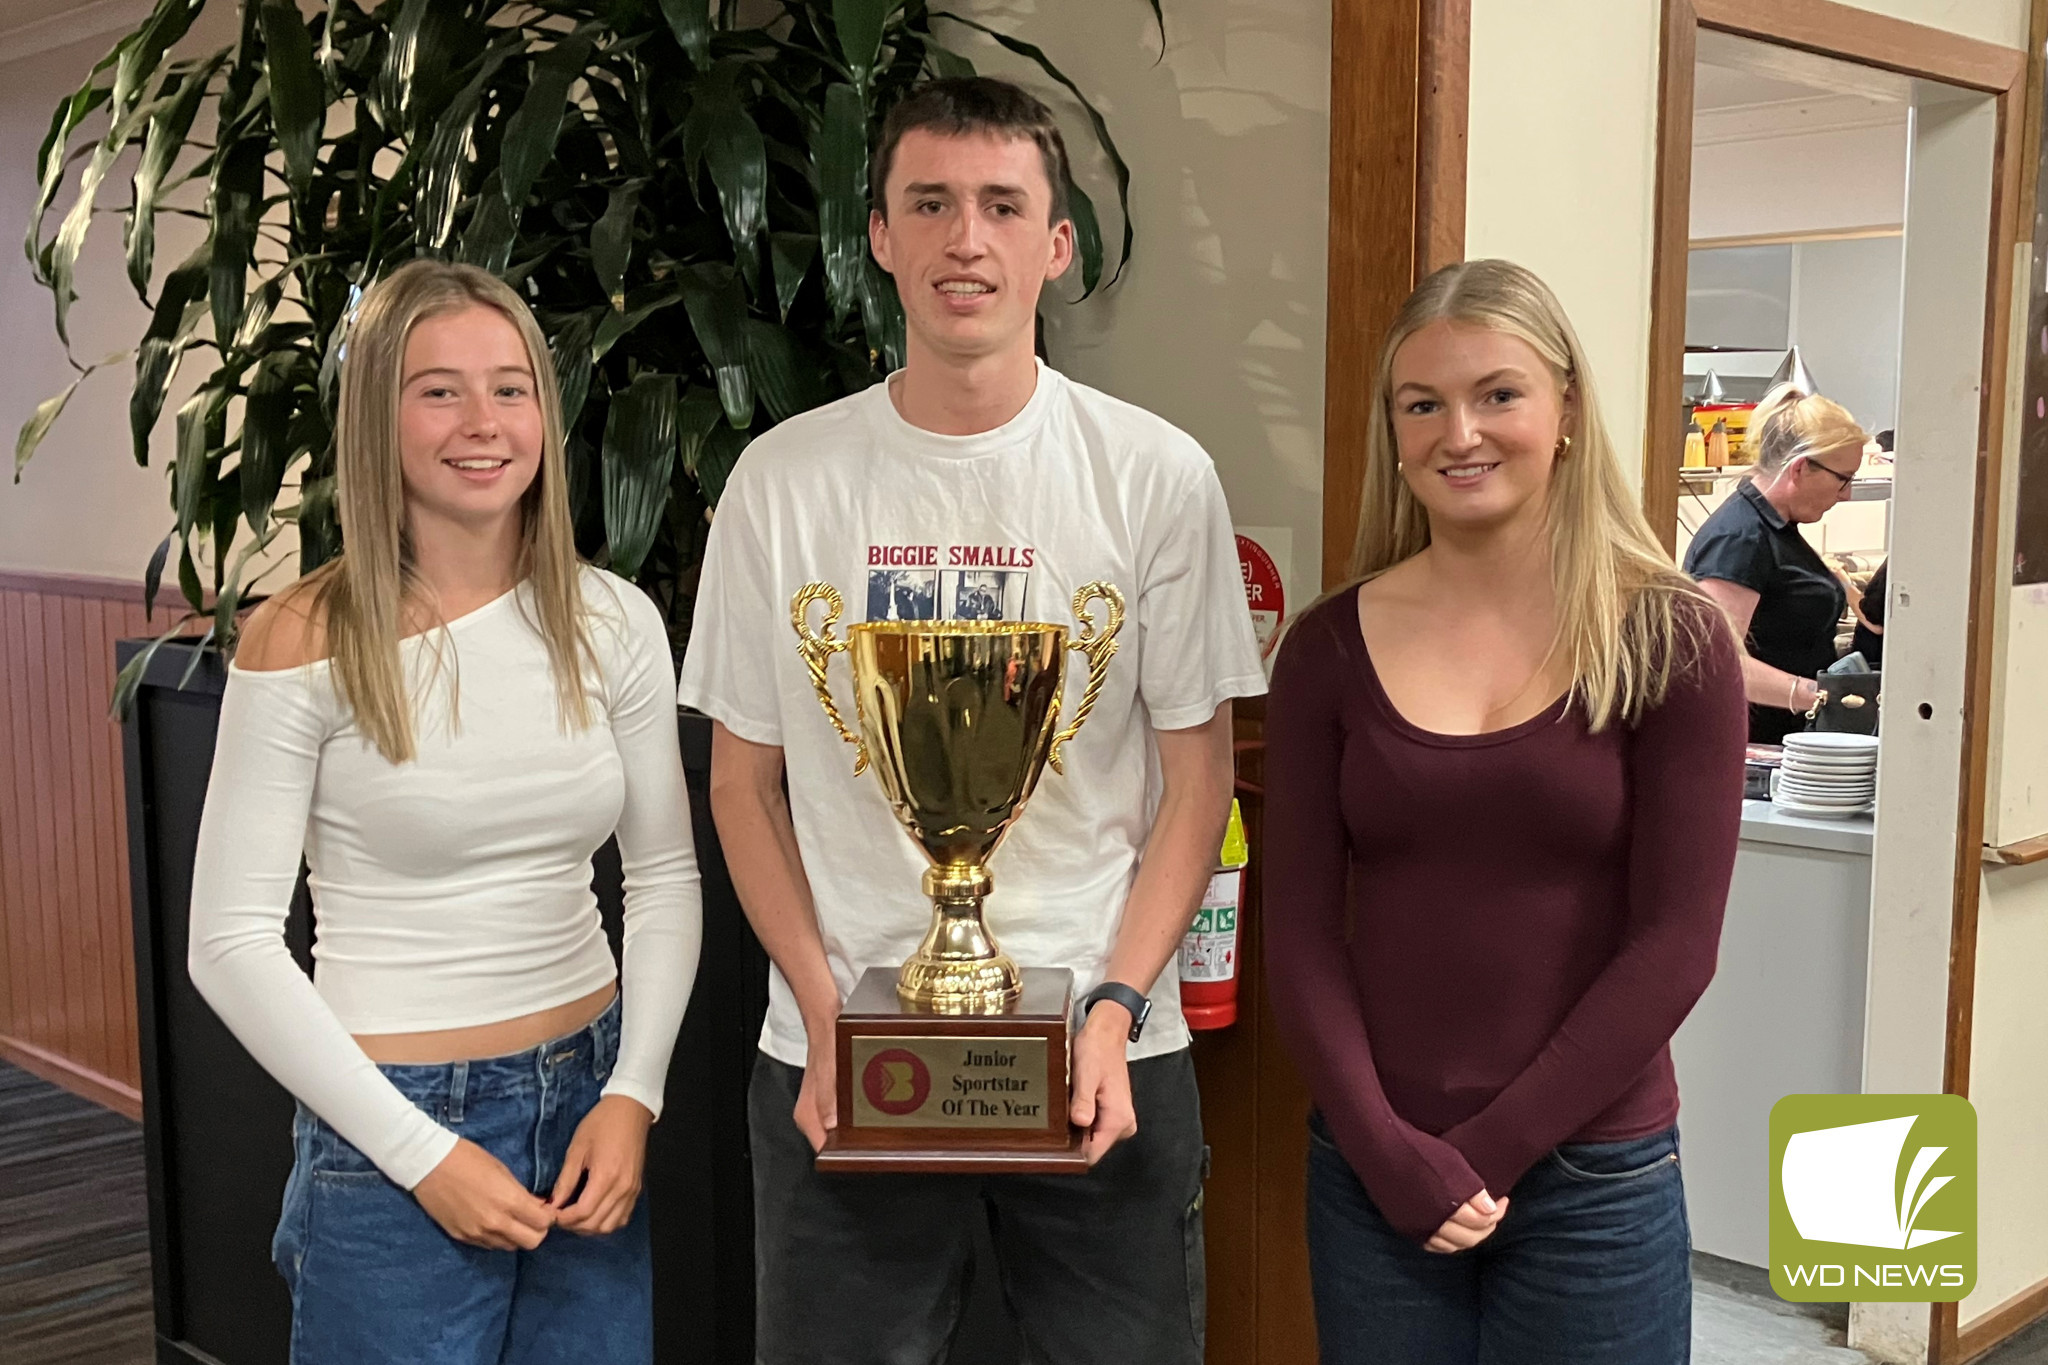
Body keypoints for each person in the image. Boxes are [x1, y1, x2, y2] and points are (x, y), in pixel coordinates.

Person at [679, 76, 1263, 1365]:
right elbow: (739, 786)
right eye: (928, 203)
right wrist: (830, 1017)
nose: (965, 240)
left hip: (1101, 1055)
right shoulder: (782, 483)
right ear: (876, 236)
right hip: (841, 1059)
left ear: (1054, 246)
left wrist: (1111, 1006)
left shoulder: (1156, 475)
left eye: (1003, 206)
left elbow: (1197, 777)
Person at [187, 261, 702, 1363]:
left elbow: (663, 877)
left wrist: (634, 1095)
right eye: (439, 391)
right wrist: (421, 1154)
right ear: (377, 416)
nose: (483, 423)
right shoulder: (303, 636)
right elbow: (226, 944)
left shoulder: (614, 621)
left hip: (588, 1110)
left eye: (511, 389)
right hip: (389, 1132)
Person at [1263, 259, 1747, 1365]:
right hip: (1370, 1176)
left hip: (1591, 1181)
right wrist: (1386, 1151)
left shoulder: (1666, 638)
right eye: (1421, 403)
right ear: (1393, 429)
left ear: (1565, 409)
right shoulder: (1326, 650)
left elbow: (1675, 945)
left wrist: (1484, 1152)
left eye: (1497, 394)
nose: (1458, 433)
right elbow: (1295, 935)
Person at [1683, 385, 1869, 742]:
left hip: (1783, 737)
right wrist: (1816, 696)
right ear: (1800, 468)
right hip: (1751, 743)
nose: (1846, 494)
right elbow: (1715, 660)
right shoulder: (1739, 539)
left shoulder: (1776, 528)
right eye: (1843, 479)